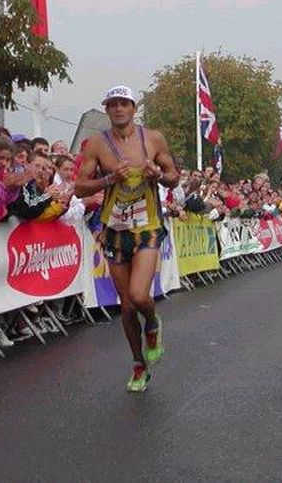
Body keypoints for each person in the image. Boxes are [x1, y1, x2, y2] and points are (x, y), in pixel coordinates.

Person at [75, 85, 179, 392]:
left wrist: (158, 175)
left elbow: (174, 176)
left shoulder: (153, 138)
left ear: (134, 108)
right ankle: (138, 363)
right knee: (126, 306)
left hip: (147, 226)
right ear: (107, 110)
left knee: (138, 295)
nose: (119, 109)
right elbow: (80, 187)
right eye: (113, 105)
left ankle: (153, 323)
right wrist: (110, 179)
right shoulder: (97, 144)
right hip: (114, 230)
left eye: (124, 104)